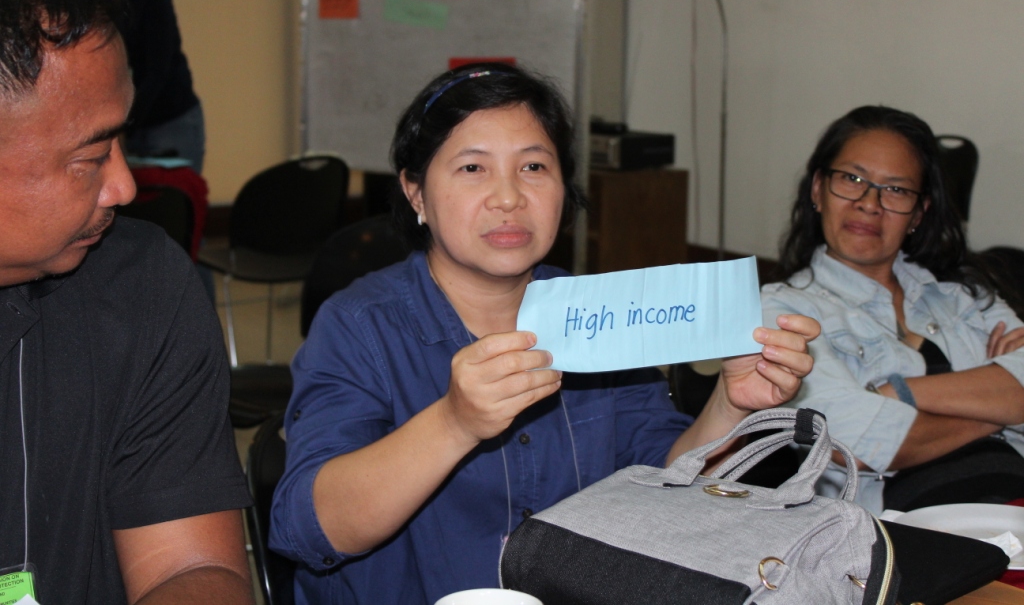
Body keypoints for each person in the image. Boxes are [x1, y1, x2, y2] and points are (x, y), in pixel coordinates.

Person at [269, 63, 820, 604]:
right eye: (472, 168)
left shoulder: (599, 313)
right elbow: (311, 528)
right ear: (416, 193)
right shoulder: (359, 324)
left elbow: (669, 482)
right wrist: (454, 423)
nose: (509, 197)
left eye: (533, 166)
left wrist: (730, 406)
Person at [0, 0, 253, 603]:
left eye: (122, 140)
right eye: (90, 157)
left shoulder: (141, 286)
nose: (125, 186)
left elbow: (190, 569)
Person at [762, 105, 1024, 514]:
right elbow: (856, 444)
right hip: (903, 525)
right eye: (852, 179)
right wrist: (1000, 409)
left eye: (896, 190)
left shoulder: (963, 293)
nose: (870, 203)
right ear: (817, 189)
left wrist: (899, 393)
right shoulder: (782, 309)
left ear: (919, 212)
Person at [68, 0, 206, 173]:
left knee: (170, 196)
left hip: (168, 121)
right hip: (119, 121)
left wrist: (123, 123)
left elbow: (158, 69)